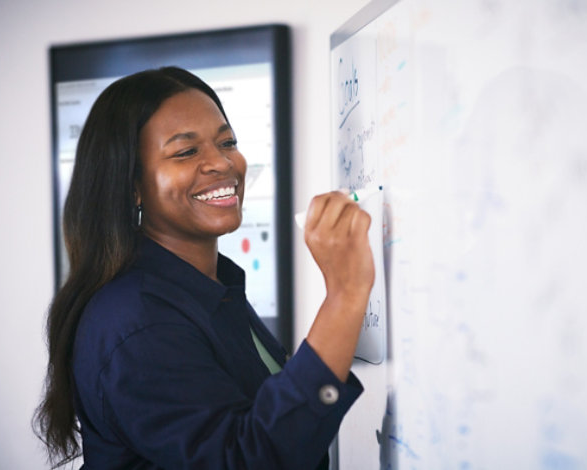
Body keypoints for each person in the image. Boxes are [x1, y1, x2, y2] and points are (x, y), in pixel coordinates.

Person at [33, 66, 375, 469]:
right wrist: (345, 295)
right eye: (186, 152)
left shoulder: (210, 287)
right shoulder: (138, 320)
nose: (221, 163)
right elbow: (247, 461)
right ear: (132, 187)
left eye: (227, 142)